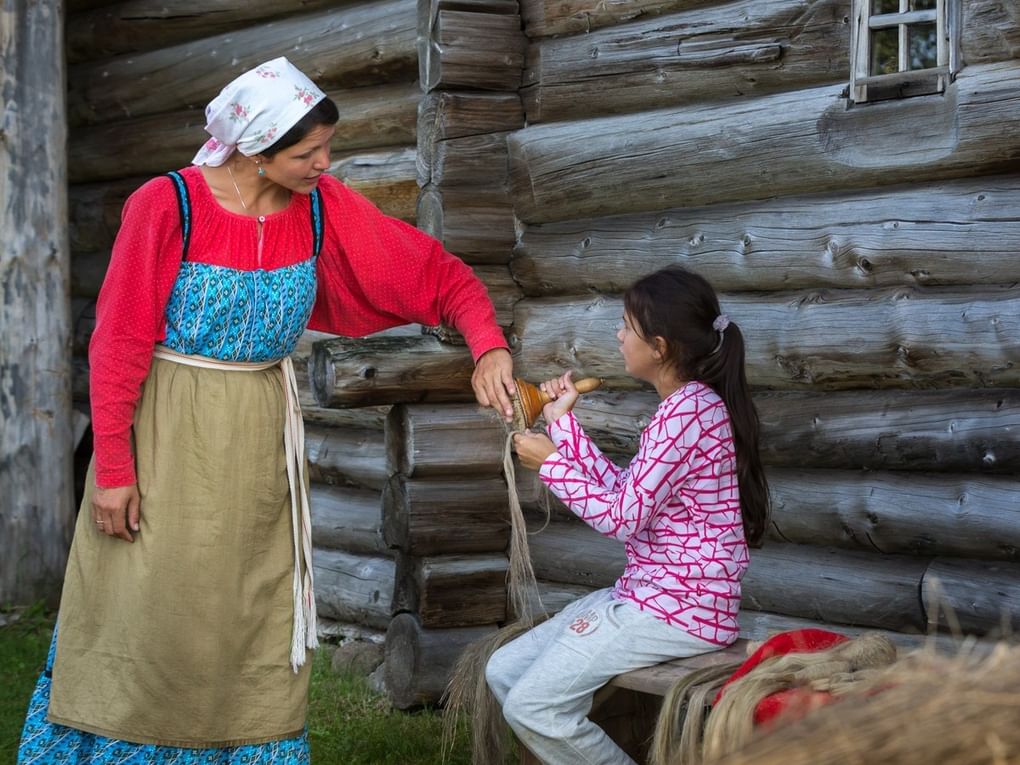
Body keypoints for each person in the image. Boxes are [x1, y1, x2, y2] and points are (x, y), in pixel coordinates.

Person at [18, 57, 515, 763]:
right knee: (148, 608)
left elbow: (434, 273)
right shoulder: (168, 205)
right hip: (165, 434)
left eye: (327, 148)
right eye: (307, 152)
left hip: (257, 444)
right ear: (254, 146)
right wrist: (114, 471)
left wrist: (487, 343)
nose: (324, 163)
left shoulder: (321, 208)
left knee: (246, 613)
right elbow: (119, 340)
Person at [485, 266, 770, 765]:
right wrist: (562, 425)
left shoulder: (689, 413)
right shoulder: (685, 408)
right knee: (504, 671)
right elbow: (626, 492)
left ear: (658, 347)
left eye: (626, 326)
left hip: (683, 610)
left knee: (533, 708)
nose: (618, 336)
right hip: (649, 596)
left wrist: (550, 463)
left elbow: (621, 518)